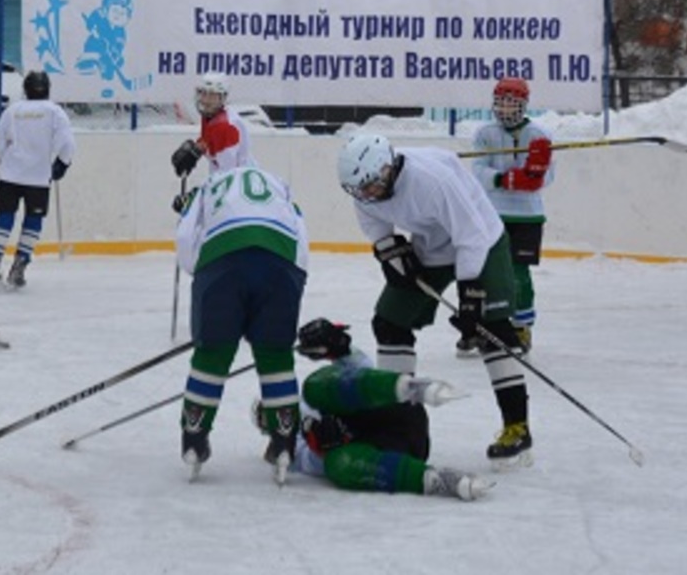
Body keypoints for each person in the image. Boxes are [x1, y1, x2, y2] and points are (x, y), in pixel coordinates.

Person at [335, 131, 534, 467]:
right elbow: (377, 230)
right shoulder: (365, 191)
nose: (366, 195)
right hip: (433, 247)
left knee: (493, 330)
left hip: (481, 240)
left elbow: (470, 235)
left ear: (387, 169)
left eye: (370, 186)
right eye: (359, 190)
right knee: (390, 322)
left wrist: (471, 297)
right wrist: (391, 253)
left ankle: (517, 427)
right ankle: (399, 423)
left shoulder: (431, 182)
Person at [173, 162, 307, 484]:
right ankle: (284, 443)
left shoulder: (207, 186)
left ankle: (194, 439)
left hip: (222, 258)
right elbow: (300, 231)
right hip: (281, 259)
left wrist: (203, 279)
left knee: (212, 355)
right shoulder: (278, 182)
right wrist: (294, 280)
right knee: (276, 356)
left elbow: (185, 233)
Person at [281, 318, 493, 501]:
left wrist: (340, 348)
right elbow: (312, 464)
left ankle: (411, 387)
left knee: (314, 387)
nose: (274, 417)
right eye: (263, 420)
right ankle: (436, 480)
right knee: (337, 465)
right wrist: (321, 448)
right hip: (389, 451)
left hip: (393, 409)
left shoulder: (307, 399)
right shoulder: (289, 449)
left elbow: (359, 372)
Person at [465, 77, 554, 356]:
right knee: (484, 272)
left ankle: (520, 327)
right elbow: (477, 171)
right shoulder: (485, 134)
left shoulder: (539, 134)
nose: (505, 108)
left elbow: (549, 176)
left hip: (527, 216)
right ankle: (479, 327)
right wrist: (504, 179)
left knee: (518, 274)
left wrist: (536, 175)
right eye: (501, 102)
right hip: (493, 214)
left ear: (523, 104)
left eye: (511, 102)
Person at [0, 71, 75, 289]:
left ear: (26, 89)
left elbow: (1, 146)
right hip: (39, 177)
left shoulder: (12, 110)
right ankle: (20, 265)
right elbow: (67, 143)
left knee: (4, 216)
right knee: (33, 221)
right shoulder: (55, 112)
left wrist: (7, 164)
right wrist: (62, 164)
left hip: (11, 175)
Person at [170, 72, 255, 181]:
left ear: (222, 98)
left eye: (212, 95)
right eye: (204, 94)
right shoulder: (210, 116)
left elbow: (227, 175)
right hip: (228, 181)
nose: (206, 100)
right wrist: (196, 149)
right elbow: (209, 140)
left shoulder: (226, 126)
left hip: (240, 184)